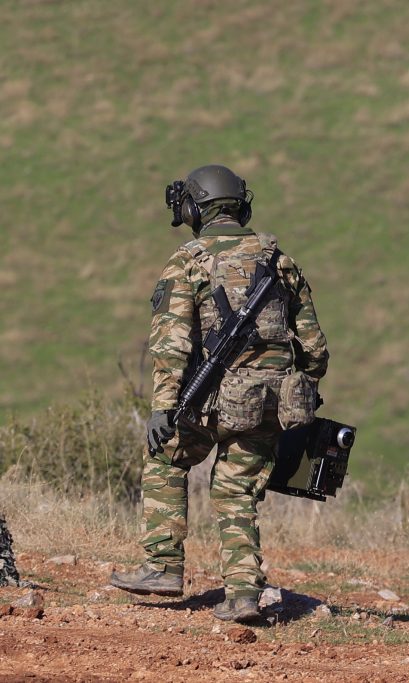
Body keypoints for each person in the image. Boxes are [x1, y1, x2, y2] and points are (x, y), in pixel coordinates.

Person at [111, 165, 329, 623]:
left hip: (211, 401)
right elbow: (314, 348)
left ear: (195, 208)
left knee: (165, 456)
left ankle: (162, 566)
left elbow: (171, 345)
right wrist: (302, 389)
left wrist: (163, 408)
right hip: (273, 403)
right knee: (236, 492)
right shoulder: (279, 261)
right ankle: (243, 596)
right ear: (239, 206)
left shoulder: (188, 260)